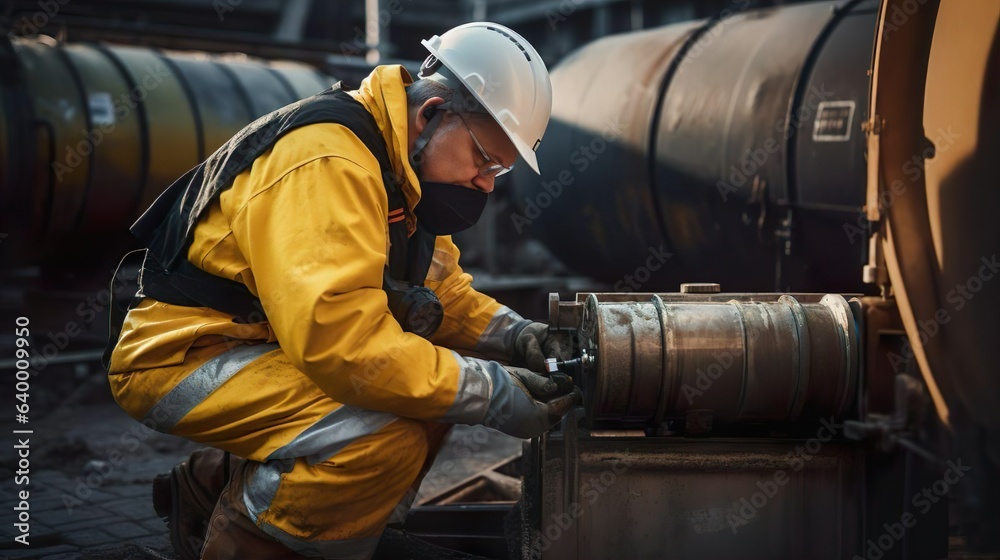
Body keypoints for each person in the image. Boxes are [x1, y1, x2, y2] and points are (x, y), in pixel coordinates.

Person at [105, 21, 580, 559]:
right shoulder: (330, 161)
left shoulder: (400, 171)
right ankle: (248, 547)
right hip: (183, 353)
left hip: (266, 342)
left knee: (430, 391)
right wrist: (495, 394)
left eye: (501, 169)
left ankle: (227, 489)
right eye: (486, 159)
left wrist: (520, 337)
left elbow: (441, 292)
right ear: (431, 114)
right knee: (381, 436)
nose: (489, 182)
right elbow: (345, 345)